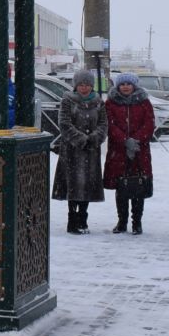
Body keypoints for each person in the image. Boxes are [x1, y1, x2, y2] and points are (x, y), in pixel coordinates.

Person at [48, 70, 106, 233]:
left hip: (91, 151)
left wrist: (93, 139)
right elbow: (64, 123)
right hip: (72, 151)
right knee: (73, 185)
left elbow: (103, 124)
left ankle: (83, 218)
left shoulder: (98, 102)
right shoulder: (67, 100)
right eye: (81, 84)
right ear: (76, 86)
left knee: (87, 185)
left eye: (87, 85)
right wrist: (81, 139)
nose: (84, 88)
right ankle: (72, 220)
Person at [102, 73, 155, 235]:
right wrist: (125, 140)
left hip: (140, 151)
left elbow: (149, 123)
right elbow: (109, 124)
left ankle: (137, 222)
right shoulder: (110, 103)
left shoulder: (144, 102)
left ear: (134, 86)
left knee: (138, 186)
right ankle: (122, 221)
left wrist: (137, 140)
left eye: (128, 84)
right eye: (122, 84)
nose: (125, 86)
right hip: (118, 151)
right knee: (121, 187)